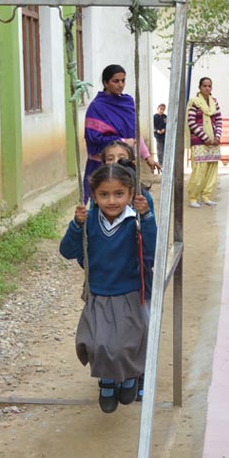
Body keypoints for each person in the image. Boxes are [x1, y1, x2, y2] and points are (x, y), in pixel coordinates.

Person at [59, 164, 156, 413]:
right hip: (99, 293)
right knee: (97, 344)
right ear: (94, 195)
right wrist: (76, 225)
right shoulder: (89, 220)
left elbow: (152, 252)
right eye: (104, 195)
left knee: (126, 344)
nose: (112, 201)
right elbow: (67, 251)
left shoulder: (135, 220)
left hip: (129, 292)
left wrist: (147, 217)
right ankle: (108, 381)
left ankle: (130, 376)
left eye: (119, 194)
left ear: (131, 193)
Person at [83, 64, 159, 201]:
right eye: (116, 81)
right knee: (102, 202)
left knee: (129, 199)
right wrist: (122, 142)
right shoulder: (96, 107)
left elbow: (134, 133)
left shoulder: (127, 103)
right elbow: (94, 137)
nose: (120, 85)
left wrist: (147, 157)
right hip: (102, 164)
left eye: (123, 80)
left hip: (125, 164)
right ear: (105, 83)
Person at [186, 77, 223, 207]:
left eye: (209, 86)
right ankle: (193, 198)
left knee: (212, 169)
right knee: (199, 169)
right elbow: (191, 121)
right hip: (199, 140)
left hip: (214, 141)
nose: (207, 88)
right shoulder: (194, 102)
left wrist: (217, 136)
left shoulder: (214, 102)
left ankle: (206, 196)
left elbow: (218, 120)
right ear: (200, 87)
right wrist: (204, 137)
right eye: (204, 86)